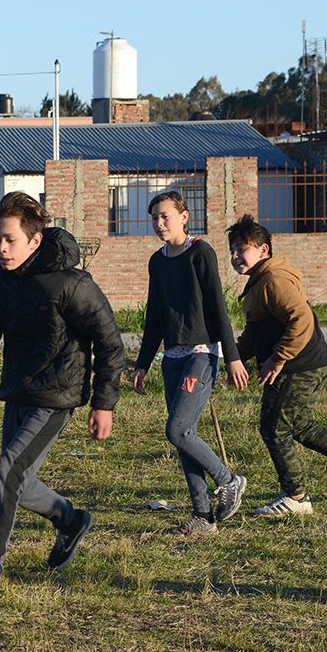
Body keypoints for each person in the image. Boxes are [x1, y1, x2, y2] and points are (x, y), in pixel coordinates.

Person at [0, 191, 124, 606]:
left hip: (56, 397)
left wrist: (103, 403)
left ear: (34, 241)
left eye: (10, 241)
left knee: (6, 471)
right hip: (18, 391)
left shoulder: (71, 284)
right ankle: (71, 520)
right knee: (16, 483)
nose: (2, 249)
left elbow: (110, 343)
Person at [226, 214, 327, 516]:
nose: (234, 256)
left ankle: (296, 497)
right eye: (231, 250)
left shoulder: (273, 280)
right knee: (299, 425)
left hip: (297, 366)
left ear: (263, 250)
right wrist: (230, 355)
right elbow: (257, 333)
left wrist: (276, 358)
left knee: (273, 428)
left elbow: (301, 319)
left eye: (241, 249)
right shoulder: (260, 282)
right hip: (306, 363)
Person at [131, 191, 250, 535]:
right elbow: (154, 315)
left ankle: (229, 480)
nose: (159, 223)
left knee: (177, 429)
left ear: (184, 216)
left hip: (201, 354)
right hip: (172, 358)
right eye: (154, 218)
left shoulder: (201, 253)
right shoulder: (157, 261)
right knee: (184, 437)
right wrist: (142, 362)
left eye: (165, 216)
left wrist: (232, 357)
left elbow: (217, 307)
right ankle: (203, 517)